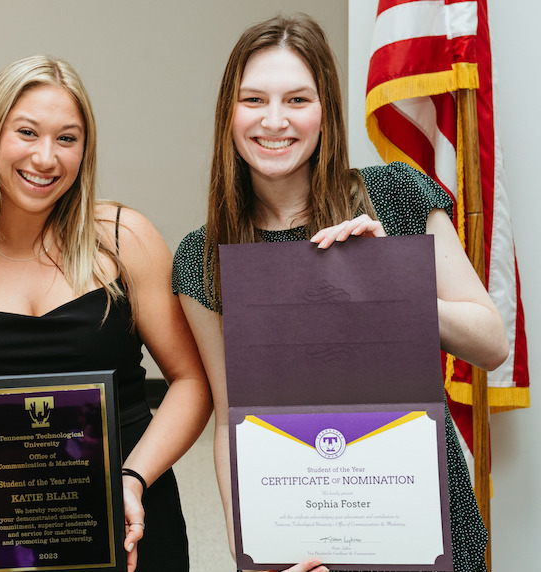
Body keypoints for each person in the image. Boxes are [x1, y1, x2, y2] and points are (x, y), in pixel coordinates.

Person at [172, 14, 509, 572]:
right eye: (253, 99)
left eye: (297, 100)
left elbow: (491, 342)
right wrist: (253, 552)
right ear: (228, 114)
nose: (274, 121)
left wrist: (388, 284)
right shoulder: (202, 256)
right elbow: (233, 419)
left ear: (325, 109)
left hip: (419, 517)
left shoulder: (395, 195)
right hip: (301, 534)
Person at [0, 55, 210, 571]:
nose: (46, 157)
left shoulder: (124, 238)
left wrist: (133, 479)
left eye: (67, 138)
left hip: (131, 515)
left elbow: (191, 381)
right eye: (26, 132)